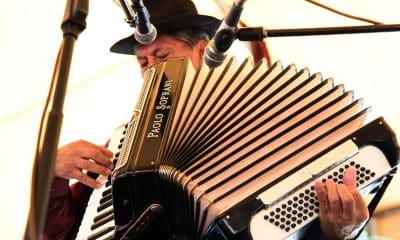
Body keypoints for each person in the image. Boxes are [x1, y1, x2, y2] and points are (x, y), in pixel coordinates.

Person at [43, 0, 369, 239]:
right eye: (143, 61)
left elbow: (303, 225)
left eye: (163, 56)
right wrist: (52, 174)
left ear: (201, 51)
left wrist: (338, 232)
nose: (151, 70)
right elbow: (62, 233)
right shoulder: (124, 146)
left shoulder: (265, 113)